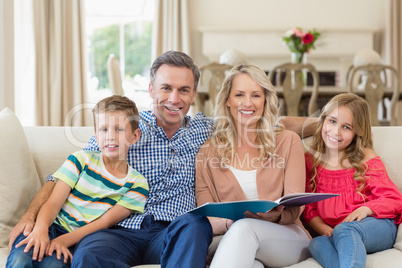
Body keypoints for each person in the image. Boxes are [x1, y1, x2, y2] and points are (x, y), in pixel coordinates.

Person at [8, 51, 316, 267]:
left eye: (183, 90)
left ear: (194, 94)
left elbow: (266, 119)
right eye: (166, 88)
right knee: (89, 252)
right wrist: (29, 217)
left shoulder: (206, 128)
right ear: (150, 88)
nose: (173, 98)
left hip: (174, 230)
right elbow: (63, 177)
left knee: (195, 226)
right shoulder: (122, 128)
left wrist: (329, 124)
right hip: (120, 229)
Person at [6, 95, 149, 267]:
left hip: (77, 240)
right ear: (96, 135)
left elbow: (104, 223)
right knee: (20, 260)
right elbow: (53, 203)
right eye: (104, 129)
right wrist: (41, 230)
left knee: (52, 265)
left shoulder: (137, 184)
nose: (110, 136)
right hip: (50, 225)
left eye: (118, 129)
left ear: (135, 136)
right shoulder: (80, 160)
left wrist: (64, 241)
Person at [195, 64, 311, 268]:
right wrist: (229, 223)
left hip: (286, 235)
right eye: (239, 94)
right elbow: (206, 217)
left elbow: (296, 204)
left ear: (265, 100)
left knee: (246, 228)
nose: (248, 103)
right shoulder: (207, 152)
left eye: (256, 95)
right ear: (227, 101)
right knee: (251, 260)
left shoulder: (288, 141)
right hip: (230, 237)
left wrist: (276, 216)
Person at [303, 93, 402, 268]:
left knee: (346, 229)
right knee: (316, 244)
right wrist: (328, 232)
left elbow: (394, 200)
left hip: (377, 226)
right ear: (323, 120)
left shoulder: (365, 158)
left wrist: (367, 208)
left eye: (346, 127)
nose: (335, 132)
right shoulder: (310, 161)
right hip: (338, 233)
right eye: (332, 121)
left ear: (357, 132)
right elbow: (309, 210)